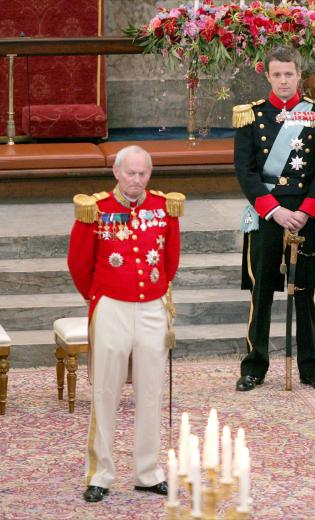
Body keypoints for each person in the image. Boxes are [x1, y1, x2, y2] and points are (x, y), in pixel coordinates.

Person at [67, 145, 184, 503]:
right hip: (111, 308)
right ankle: (100, 473)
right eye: (130, 173)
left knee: (151, 391)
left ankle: (148, 472)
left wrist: (154, 293)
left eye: (143, 173)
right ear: (116, 173)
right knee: (105, 391)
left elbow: (171, 259)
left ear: (150, 174)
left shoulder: (165, 208)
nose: (136, 180)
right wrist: (102, 295)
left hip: (152, 307)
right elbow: (78, 263)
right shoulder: (95, 208)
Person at [233, 45, 315, 392]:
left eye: (288, 74)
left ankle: (311, 366)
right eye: (276, 74)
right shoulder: (251, 116)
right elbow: (245, 170)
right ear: (267, 75)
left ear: (298, 75)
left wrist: (306, 211)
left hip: (306, 215)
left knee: (306, 290)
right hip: (268, 213)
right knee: (261, 290)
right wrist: (275, 211)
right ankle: (254, 366)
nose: (282, 81)